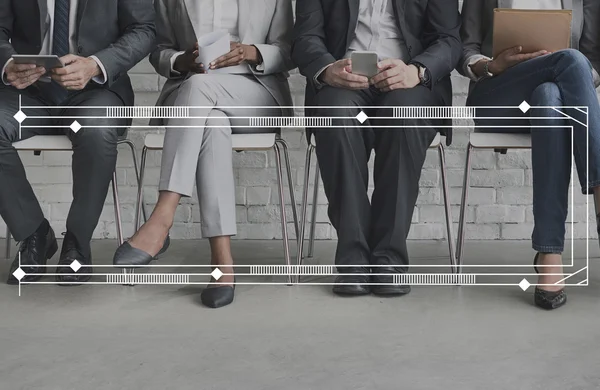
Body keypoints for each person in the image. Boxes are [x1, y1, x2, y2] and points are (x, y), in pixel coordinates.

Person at [113, 0, 294, 309]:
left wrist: (253, 52)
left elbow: (290, 50)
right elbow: (160, 52)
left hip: (255, 91)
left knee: (201, 90)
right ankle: (222, 262)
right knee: (212, 120)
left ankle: (161, 217)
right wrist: (182, 61)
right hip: (194, 98)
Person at [292, 0, 462, 296]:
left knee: (403, 116)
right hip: (343, 80)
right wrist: (326, 69)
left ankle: (388, 259)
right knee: (335, 115)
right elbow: (305, 37)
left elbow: (449, 39)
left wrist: (418, 71)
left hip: (408, 80)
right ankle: (353, 259)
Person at [0, 0, 155, 285]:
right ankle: (34, 234)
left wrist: (97, 64)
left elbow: (144, 29)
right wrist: (8, 63)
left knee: (96, 129)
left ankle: (78, 242)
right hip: (29, 94)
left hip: (96, 90)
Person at [459, 0, 600, 310]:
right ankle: (599, 185)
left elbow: (595, 61)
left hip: (559, 102)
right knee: (572, 61)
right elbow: (464, 50)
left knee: (549, 95)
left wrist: (571, 70)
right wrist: (492, 65)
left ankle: (550, 253)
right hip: (498, 97)